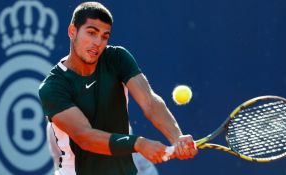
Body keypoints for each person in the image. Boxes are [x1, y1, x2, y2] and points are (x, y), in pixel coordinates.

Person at [39, 2, 197, 175]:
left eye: (104, 36)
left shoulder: (117, 58)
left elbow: (150, 102)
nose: (97, 42)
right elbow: (85, 136)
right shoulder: (53, 87)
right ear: (72, 31)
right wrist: (138, 143)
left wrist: (177, 137)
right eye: (91, 33)